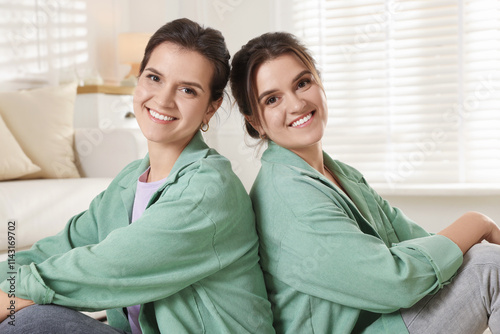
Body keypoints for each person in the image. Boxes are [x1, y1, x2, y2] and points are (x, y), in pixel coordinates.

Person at [0, 18, 274, 334]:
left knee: (31, 323)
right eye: (154, 77)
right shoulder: (131, 180)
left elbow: (107, 269)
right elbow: (62, 247)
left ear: (211, 108)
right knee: (28, 316)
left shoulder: (209, 191)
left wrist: (13, 294)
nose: (163, 99)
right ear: (139, 79)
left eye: (187, 89)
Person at [230, 31, 500, 334]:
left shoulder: (338, 172)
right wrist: (479, 222)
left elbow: (422, 244)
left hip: (388, 322)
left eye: (302, 83)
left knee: (479, 261)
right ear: (255, 121)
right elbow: (396, 283)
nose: (296, 104)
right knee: (488, 268)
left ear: (319, 82)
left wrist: (470, 239)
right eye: (273, 99)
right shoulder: (287, 196)